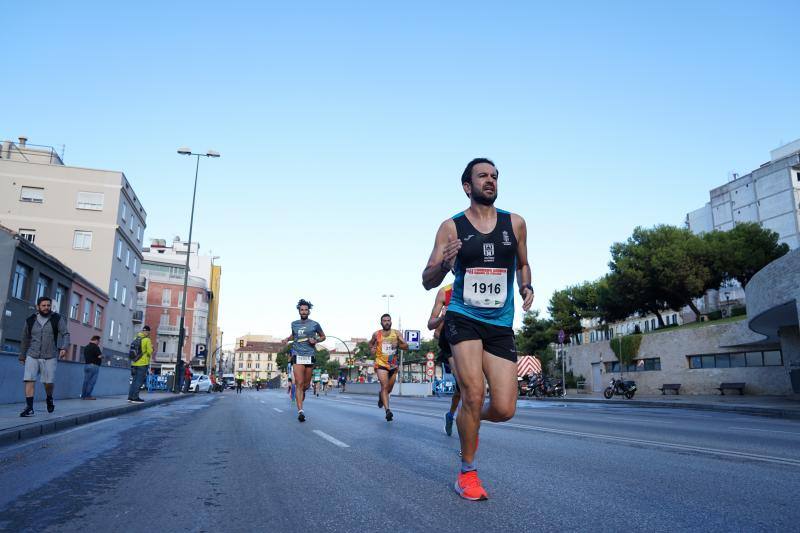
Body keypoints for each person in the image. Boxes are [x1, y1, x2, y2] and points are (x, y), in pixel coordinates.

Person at [422, 158, 533, 501]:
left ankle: (469, 420)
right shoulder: (451, 227)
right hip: (463, 317)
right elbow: (427, 280)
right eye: (482, 176)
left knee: (503, 408)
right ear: (467, 186)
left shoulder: (515, 223)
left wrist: (527, 286)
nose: (491, 180)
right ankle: (467, 473)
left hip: (500, 323)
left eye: (495, 176)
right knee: (472, 392)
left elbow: (524, 265)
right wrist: (444, 263)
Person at [19, 296, 70, 417]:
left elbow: (66, 334)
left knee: (48, 383)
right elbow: (25, 338)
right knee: (29, 380)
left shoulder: (56, 319)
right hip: (32, 355)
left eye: (48, 305)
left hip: (50, 356)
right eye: (44, 305)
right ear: (38, 307)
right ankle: (29, 407)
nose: (46, 308)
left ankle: (49, 397)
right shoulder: (30, 320)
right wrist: (22, 355)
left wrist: (64, 348)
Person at [282, 299, 325, 422]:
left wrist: (316, 340)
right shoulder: (294, 324)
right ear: (299, 311)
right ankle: (300, 411)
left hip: (310, 355)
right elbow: (294, 335)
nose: (304, 311)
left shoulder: (315, 324)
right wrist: (287, 339)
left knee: (305, 385)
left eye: (306, 310)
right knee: (299, 383)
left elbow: (323, 336)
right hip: (297, 355)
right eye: (302, 310)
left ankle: (302, 395)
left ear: (309, 311)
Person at [427, 284, 461, 436]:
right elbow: (435, 332)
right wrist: (444, 319)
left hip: (473, 345)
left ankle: (450, 415)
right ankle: (463, 421)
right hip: (451, 348)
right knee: (464, 384)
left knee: (461, 391)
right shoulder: (446, 292)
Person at [369, 314, 409, 422]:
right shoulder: (376, 334)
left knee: (388, 389)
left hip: (393, 364)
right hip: (380, 363)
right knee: (385, 386)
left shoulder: (396, 333)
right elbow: (370, 344)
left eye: (388, 320)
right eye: (384, 320)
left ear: (391, 322)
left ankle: (381, 396)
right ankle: (388, 411)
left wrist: (399, 345)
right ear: (381, 322)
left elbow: (406, 346)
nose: (386, 322)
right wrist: (372, 349)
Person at [128, 325, 154, 403]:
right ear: (148, 332)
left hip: (134, 362)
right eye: (149, 332)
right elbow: (149, 352)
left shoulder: (136, 338)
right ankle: (135, 397)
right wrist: (152, 348)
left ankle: (130, 397)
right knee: (139, 381)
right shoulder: (147, 340)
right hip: (142, 363)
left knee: (134, 380)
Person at [81, 335, 103, 400]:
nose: (99, 343)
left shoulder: (86, 347)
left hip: (86, 365)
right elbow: (99, 356)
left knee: (86, 381)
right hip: (94, 366)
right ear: (96, 340)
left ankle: (83, 396)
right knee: (91, 382)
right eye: (99, 341)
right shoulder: (96, 347)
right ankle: (88, 396)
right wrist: (103, 356)